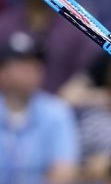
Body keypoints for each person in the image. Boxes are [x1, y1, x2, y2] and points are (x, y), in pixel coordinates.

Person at [0, 32, 79, 184]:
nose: (32, 69)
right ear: (2, 72)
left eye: (36, 63)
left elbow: (64, 172)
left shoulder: (56, 111)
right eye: (21, 63)